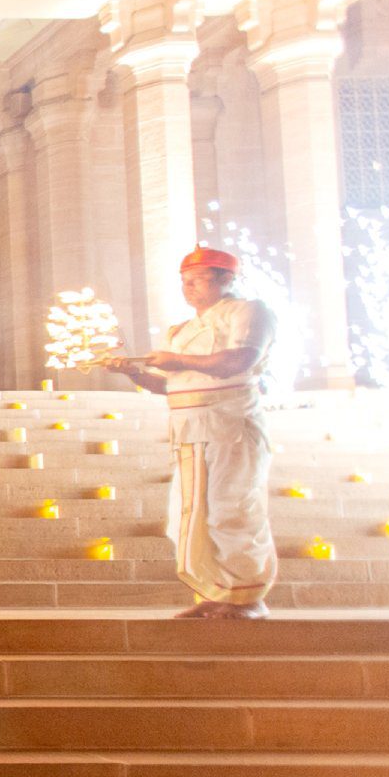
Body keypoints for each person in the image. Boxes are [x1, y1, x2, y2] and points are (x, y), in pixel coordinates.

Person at [104, 247, 277, 619]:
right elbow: (168, 385)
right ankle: (216, 594)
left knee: (232, 509)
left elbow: (238, 360)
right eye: (184, 281)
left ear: (226, 279)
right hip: (187, 429)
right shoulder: (180, 331)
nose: (188, 288)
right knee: (190, 515)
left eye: (197, 280)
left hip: (230, 424)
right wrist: (132, 372)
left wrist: (177, 360)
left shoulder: (249, 311)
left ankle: (247, 598)